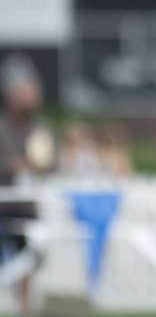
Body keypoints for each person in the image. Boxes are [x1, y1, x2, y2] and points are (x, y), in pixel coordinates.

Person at [0, 54, 54, 316]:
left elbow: (50, 163)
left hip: (27, 208)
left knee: (28, 262)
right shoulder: (3, 129)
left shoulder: (39, 130)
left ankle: (22, 308)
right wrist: (14, 166)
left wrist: (38, 165)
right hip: (3, 207)